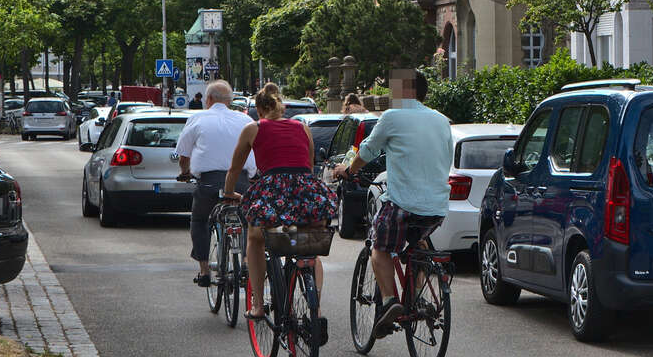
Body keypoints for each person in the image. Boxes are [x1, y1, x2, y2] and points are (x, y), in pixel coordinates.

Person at [350, 70, 451, 338]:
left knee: (379, 247)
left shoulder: (392, 117)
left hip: (402, 203)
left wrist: (348, 169)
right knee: (418, 245)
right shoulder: (442, 121)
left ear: (406, 91)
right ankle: (417, 297)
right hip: (436, 206)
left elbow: (369, 150)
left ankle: (389, 301)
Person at [224, 83, 335, 325]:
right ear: (281, 106)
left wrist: (229, 191)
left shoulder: (253, 129)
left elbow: (235, 167)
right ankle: (314, 309)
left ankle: (257, 305)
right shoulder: (303, 128)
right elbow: (307, 163)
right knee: (310, 244)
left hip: (274, 188)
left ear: (259, 109)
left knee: (255, 236)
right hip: (306, 188)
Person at [174, 80, 255, 288]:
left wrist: (185, 172)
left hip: (209, 183)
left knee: (200, 220)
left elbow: (183, 153)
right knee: (247, 219)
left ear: (208, 99)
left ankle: (203, 271)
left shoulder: (197, 118)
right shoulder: (244, 119)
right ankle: (245, 261)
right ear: (230, 100)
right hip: (241, 182)